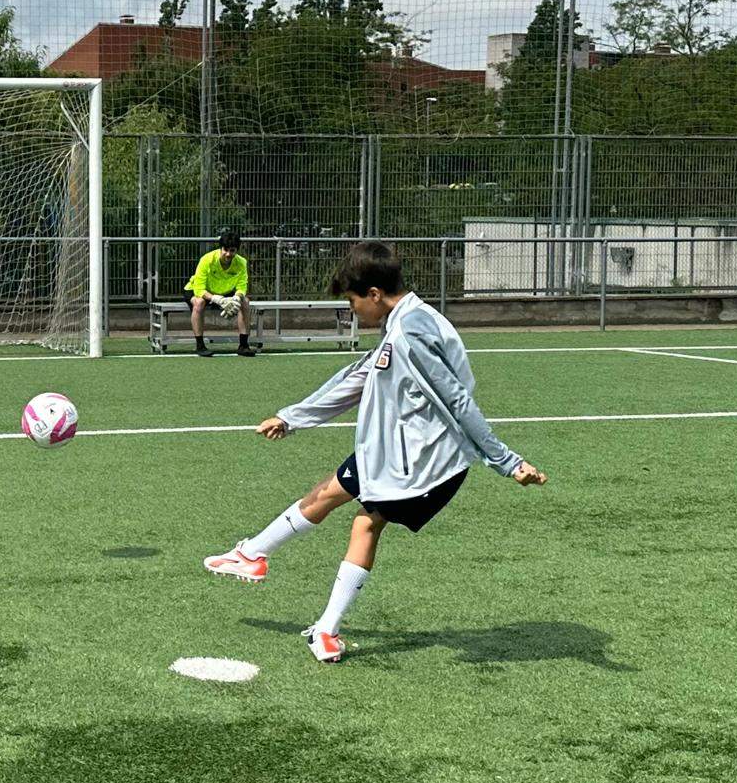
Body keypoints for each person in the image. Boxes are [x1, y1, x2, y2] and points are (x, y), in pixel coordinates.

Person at [202, 241, 546, 663]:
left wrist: (507, 462)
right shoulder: (405, 322)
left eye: (351, 301)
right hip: (405, 455)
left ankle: (267, 569)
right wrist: (293, 417)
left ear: (374, 295)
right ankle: (272, 574)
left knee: (351, 511)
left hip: (418, 463)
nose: (352, 311)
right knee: (346, 508)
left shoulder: (410, 332)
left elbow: (457, 402)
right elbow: (358, 377)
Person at [184, 228, 253, 357]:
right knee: (199, 303)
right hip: (198, 291)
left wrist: (236, 299)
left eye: (232, 250)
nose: (228, 254)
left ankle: (244, 345)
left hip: (225, 293)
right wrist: (218, 300)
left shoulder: (241, 263)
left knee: (245, 301)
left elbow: (242, 286)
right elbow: (199, 289)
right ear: (220, 248)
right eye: (225, 250)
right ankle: (200, 346)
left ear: (236, 250)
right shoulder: (207, 260)